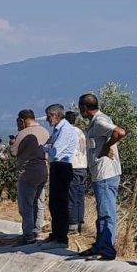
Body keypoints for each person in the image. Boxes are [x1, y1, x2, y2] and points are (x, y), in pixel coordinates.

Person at [79, 93, 127, 261]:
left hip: (105, 173)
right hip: (100, 173)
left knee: (107, 212)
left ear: (84, 108)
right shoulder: (99, 120)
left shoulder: (99, 121)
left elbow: (120, 132)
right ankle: (100, 245)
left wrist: (107, 146)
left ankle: (107, 250)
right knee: (102, 211)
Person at [41, 104, 82, 247]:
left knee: (60, 203)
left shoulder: (65, 130)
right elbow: (50, 144)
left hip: (62, 167)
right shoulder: (58, 129)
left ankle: (61, 238)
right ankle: (56, 234)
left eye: (48, 116)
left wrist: (43, 149)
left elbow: (55, 151)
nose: (47, 119)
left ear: (55, 115)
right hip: (57, 166)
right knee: (54, 203)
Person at [10, 110, 50, 244]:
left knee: (26, 205)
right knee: (39, 202)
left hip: (28, 172)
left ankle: (28, 235)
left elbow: (13, 152)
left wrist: (12, 143)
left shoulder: (23, 133)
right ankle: (36, 230)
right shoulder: (45, 131)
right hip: (44, 170)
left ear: (22, 120)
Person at [64, 111, 89, 235]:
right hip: (83, 166)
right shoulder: (80, 132)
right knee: (80, 197)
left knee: (71, 196)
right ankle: (80, 223)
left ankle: (72, 225)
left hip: (72, 166)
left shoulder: (67, 132)